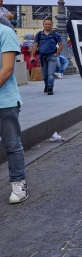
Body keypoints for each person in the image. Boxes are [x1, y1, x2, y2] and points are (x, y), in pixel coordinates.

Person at [0, 22, 28, 203]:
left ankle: (19, 183)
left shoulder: (5, 32)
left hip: (5, 102)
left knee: (12, 145)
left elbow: (8, 68)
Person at [30, 18, 63, 95]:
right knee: (44, 74)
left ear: (51, 25)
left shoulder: (55, 34)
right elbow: (35, 46)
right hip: (42, 56)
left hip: (52, 56)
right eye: (46, 24)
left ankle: (50, 88)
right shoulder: (39, 35)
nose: (47, 25)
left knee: (51, 73)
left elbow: (61, 45)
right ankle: (46, 85)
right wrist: (32, 56)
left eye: (49, 24)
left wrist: (57, 53)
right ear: (43, 25)